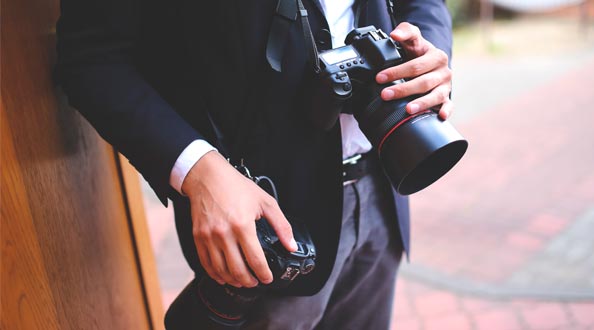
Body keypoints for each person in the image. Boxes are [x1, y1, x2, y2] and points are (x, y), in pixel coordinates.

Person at [56, 0, 454, 328]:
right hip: (264, 222)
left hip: (383, 187)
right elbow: (92, 59)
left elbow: (423, 4)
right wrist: (198, 169)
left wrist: (427, 56)